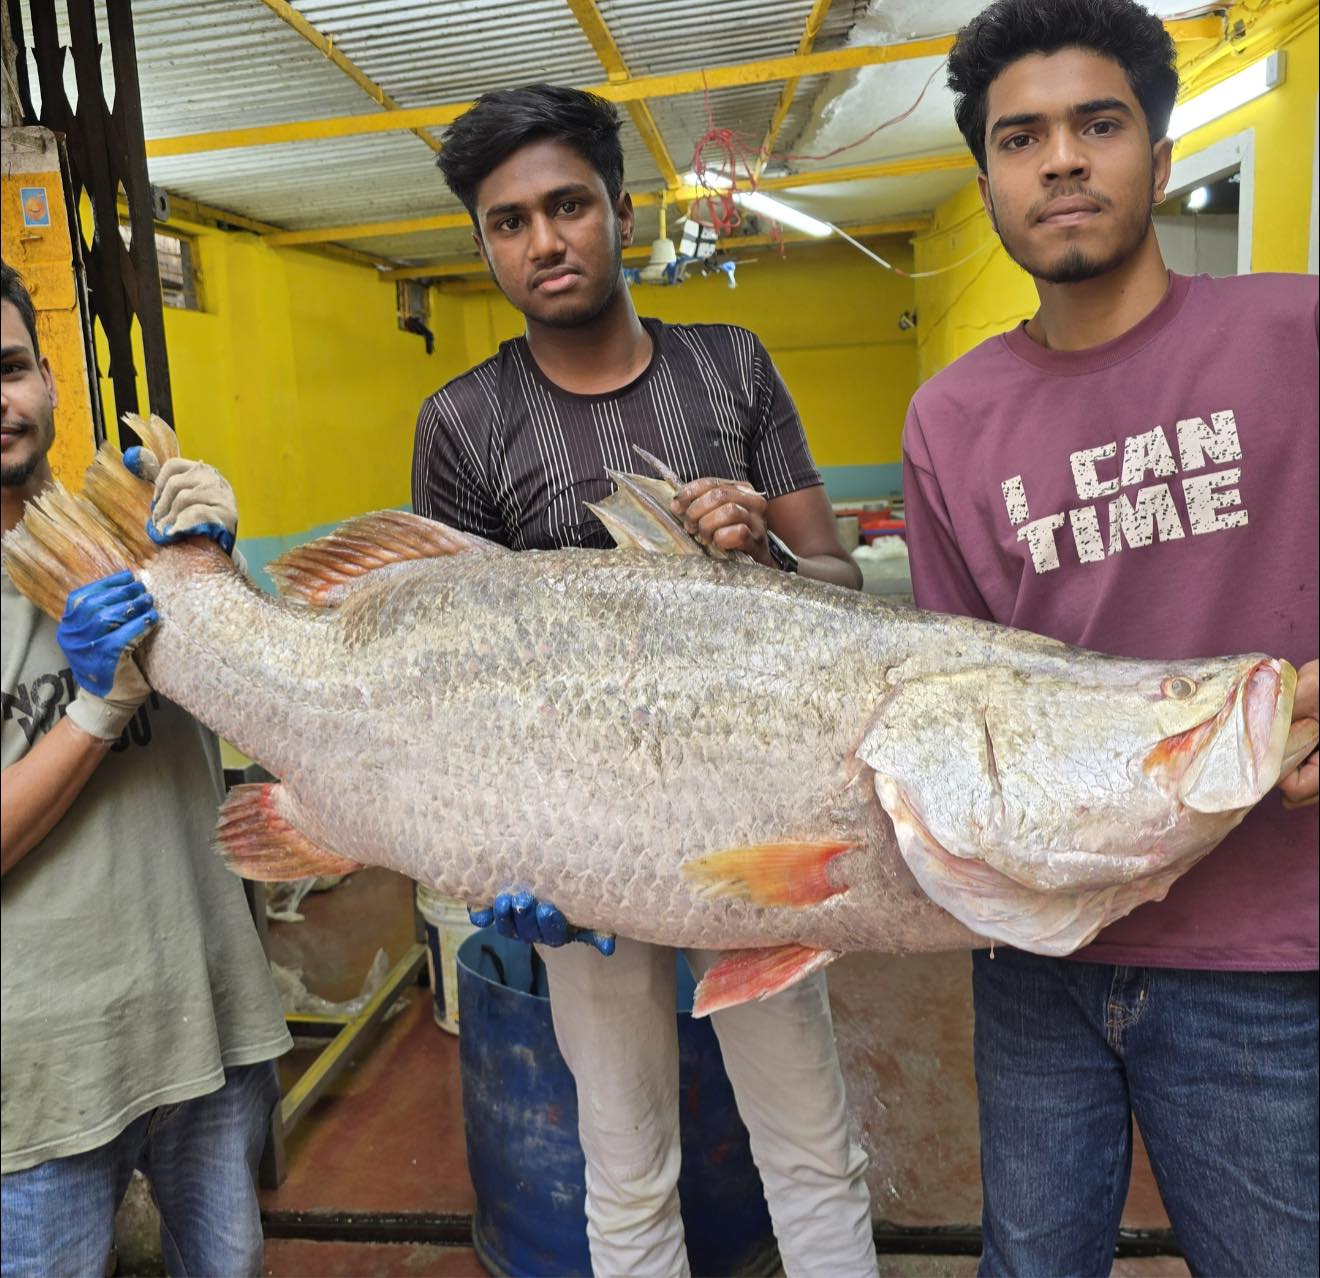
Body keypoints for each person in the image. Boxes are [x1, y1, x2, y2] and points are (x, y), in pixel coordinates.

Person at [412, 85, 877, 1278]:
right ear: (483, 245)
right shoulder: (463, 422)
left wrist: (763, 549)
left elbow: (838, 585)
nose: (544, 241)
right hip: (584, 843)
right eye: (509, 222)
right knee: (622, 1162)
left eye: (567, 206)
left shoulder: (728, 367)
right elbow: (447, 667)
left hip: (755, 829)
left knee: (812, 1146)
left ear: (623, 210)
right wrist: (499, 855)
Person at [900, 3, 1319, 1273]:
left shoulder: (1293, 336)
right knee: (1030, 1261)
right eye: (1021, 138)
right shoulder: (949, 419)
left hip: (1260, 955)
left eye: (1098, 124)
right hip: (1036, 952)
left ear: (1159, 144)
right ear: (986, 183)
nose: (1063, 160)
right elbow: (950, 695)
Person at [1, 262, 291, 1277]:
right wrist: (94, 705)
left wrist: (221, 574)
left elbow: (277, 700)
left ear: (45, 374)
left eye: (7, 368)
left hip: (205, 1020)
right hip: (39, 1074)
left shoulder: (133, 536)